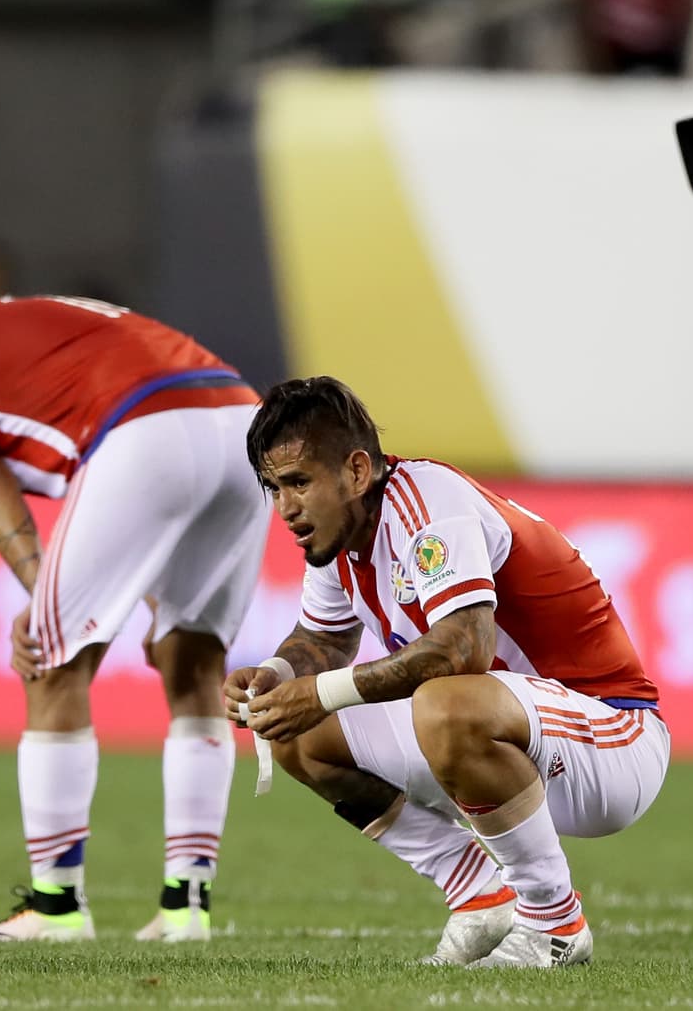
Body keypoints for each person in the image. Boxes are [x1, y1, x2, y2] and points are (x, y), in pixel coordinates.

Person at [223, 377, 669, 968]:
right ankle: (479, 892)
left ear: (357, 471)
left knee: (446, 701)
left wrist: (322, 691)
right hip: (511, 734)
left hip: (614, 740)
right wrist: (277, 676)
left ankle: (554, 927)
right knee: (296, 730)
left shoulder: (427, 503)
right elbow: (322, 639)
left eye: (299, 482)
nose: (285, 507)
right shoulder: (338, 538)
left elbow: (465, 649)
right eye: (272, 487)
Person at [0, 295, 269, 941]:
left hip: (149, 424)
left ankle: (56, 907)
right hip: (244, 420)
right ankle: (185, 906)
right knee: (192, 665)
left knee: (52, 662)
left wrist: (40, 587)